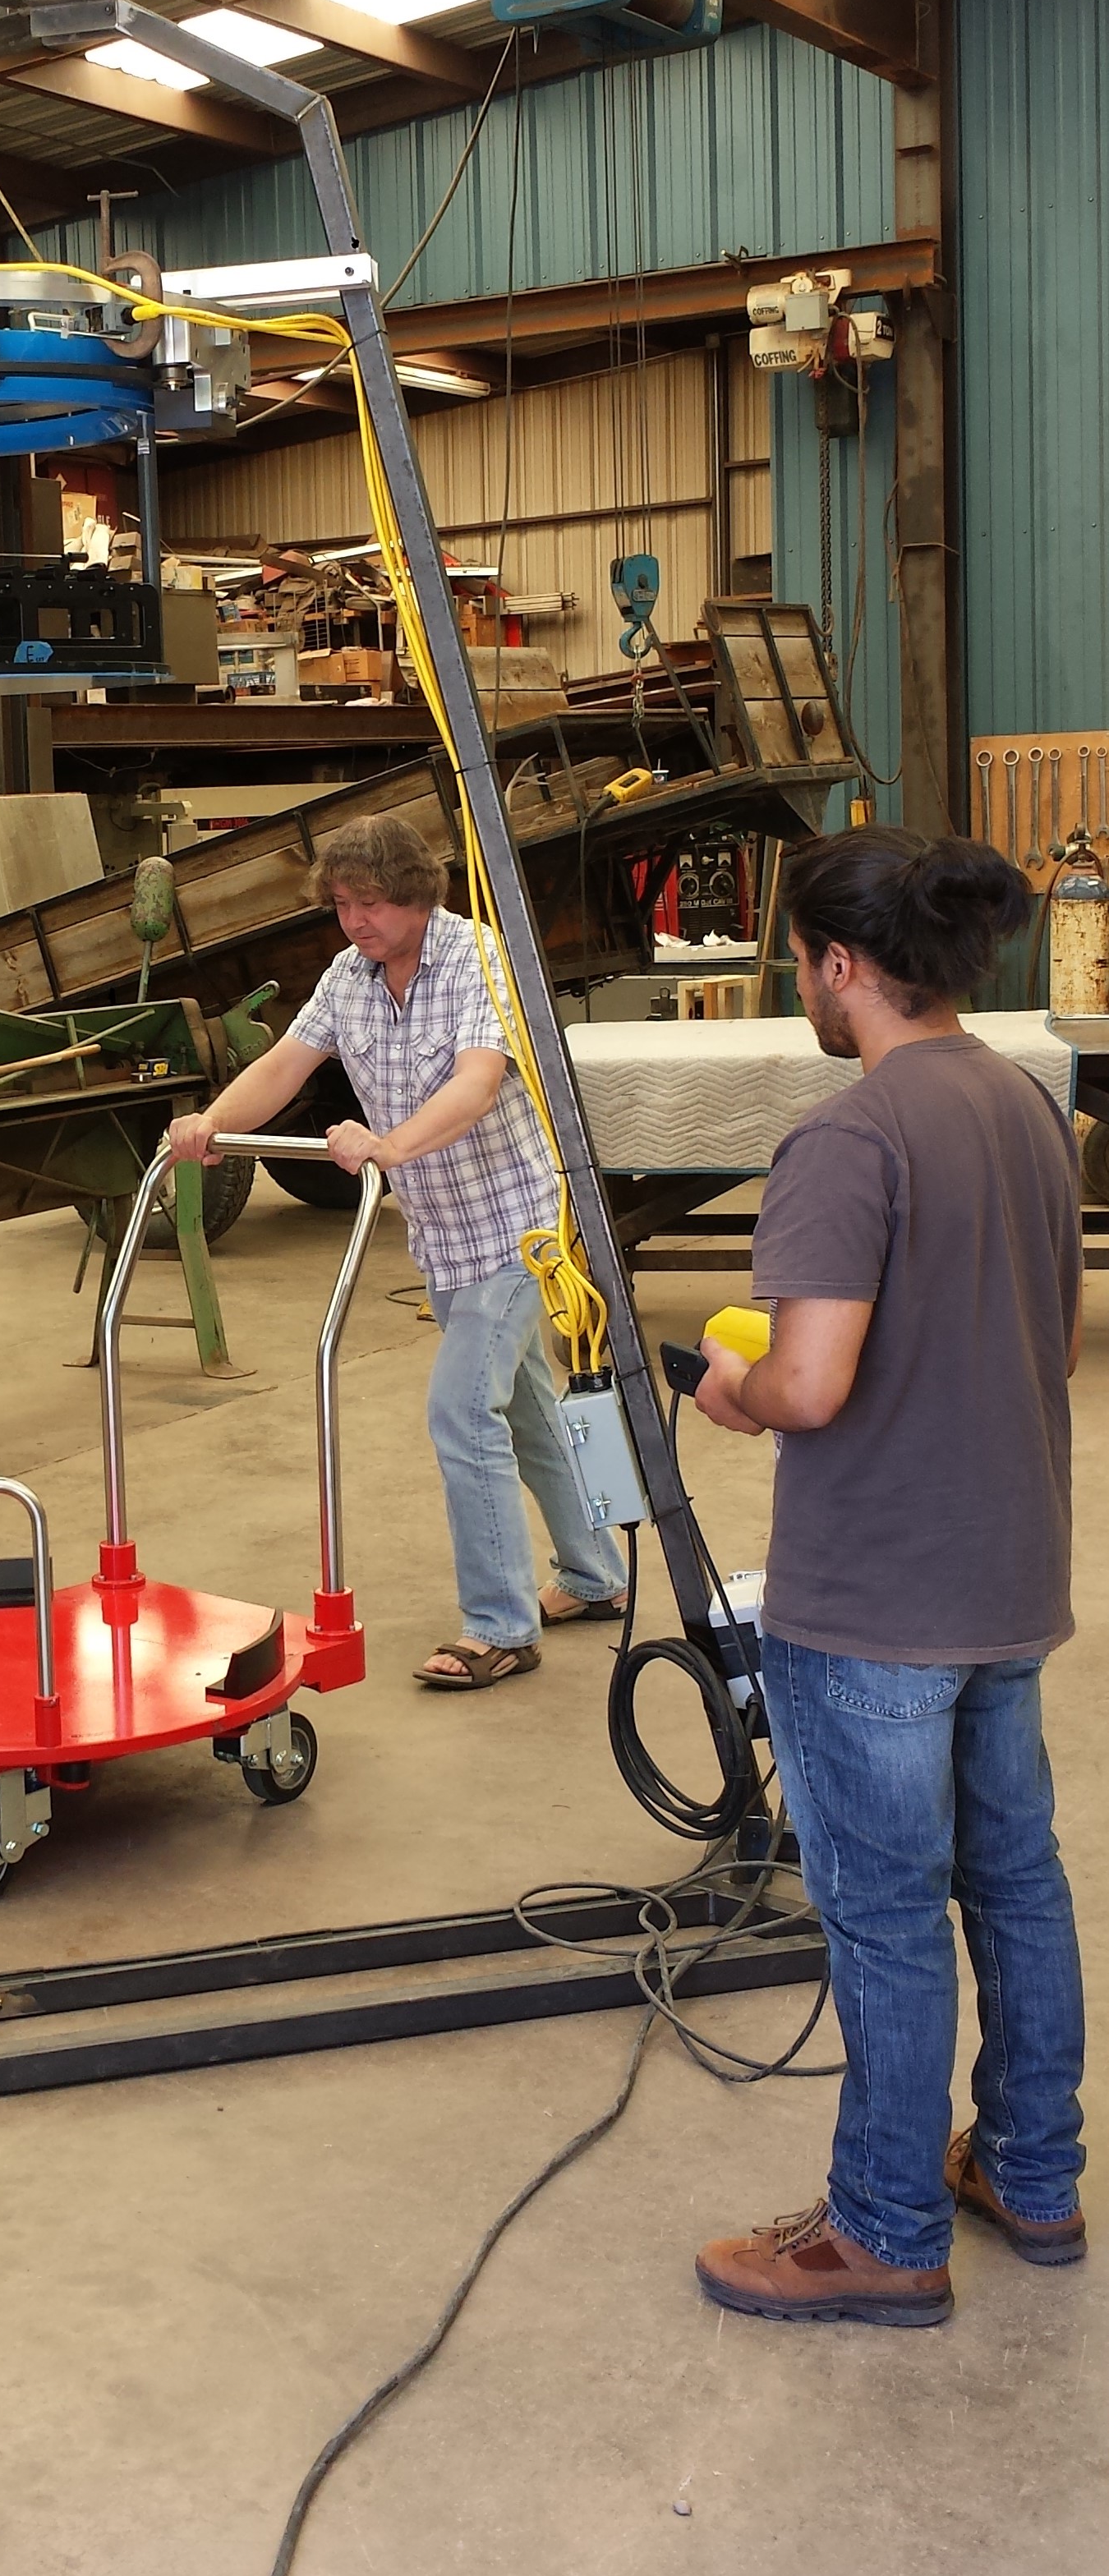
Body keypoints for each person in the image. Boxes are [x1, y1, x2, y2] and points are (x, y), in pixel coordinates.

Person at [692, 826, 1086, 2328]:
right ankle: (1031, 2173)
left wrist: (729, 1390)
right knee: (1016, 1883)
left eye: (798, 959)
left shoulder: (846, 1138)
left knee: (883, 1913)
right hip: (1005, 1571)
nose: (800, 981)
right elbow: (1050, 1345)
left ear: (838, 964)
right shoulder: (1024, 1103)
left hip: (873, 1604)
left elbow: (806, 1380)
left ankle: (880, 2228)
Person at [168, 812, 627, 1689]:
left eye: (370, 902)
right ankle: (596, 1573)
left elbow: (477, 1080)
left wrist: (389, 1144)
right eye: (341, 905)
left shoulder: (479, 957)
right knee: (526, 1408)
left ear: (418, 894)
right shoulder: (349, 976)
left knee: (462, 1412)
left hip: (521, 1228)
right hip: (444, 1235)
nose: (355, 921)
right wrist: (213, 1121)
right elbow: (286, 1065)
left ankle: (499, 1627)